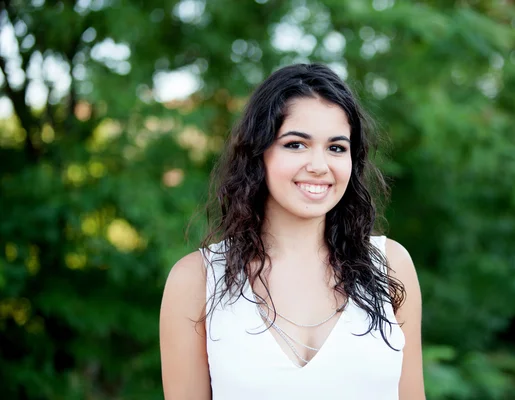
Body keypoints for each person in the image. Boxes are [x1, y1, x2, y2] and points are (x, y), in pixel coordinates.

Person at [159, 63, 425, 399]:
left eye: (336, 147)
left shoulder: (390, 264)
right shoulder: (195, 280)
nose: (318, 165)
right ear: (259, 153)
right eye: (296, 144)